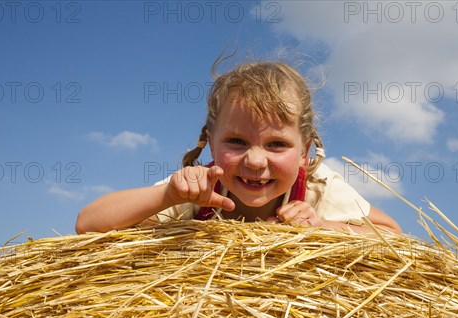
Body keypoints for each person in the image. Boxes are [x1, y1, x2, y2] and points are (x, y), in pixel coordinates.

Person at [75, 61, 401, 235]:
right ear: (210, 143)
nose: (256, 161)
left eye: (277, 144)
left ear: (305, 152)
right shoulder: (198, 187)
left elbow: (393, 235)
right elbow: (88, 223)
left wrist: (322, 226)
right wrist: (167, 196)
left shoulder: (318, 185)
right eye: (236, 142)